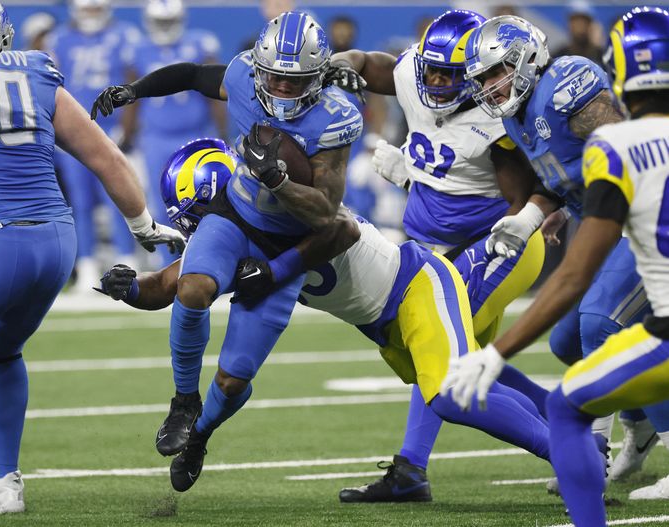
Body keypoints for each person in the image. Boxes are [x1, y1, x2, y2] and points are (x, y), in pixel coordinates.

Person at [99, 137, 565, 494]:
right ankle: (572, 428)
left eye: (197, 212)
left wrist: (274, 269)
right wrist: (130, 289)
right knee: (472, 382)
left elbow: (339, 230)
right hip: (383, 325)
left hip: (417, 287)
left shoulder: (298, 210)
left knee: (450, 393)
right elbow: (170, 285)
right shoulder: (231, 240)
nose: (195, 226)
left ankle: (571, 455)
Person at [0, 0, 183, 514]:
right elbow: (106, 157)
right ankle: (5, 485)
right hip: (56, 242)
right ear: (1, 35)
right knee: (0, 352)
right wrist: (143, 226)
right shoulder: (35, 73)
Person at [93, 11, 363, 492]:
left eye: (294, 80)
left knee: (234, 379)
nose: (282, 88)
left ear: (318, 76)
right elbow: (193, 75)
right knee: (193, 288)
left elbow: (326, 214)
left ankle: (199, 436)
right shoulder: (242, 76)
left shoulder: (334, 118)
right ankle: (183, 401)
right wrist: (134, 91)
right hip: (234, 213)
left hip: (288, 242)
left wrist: (277, 179)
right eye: (274, 77)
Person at [442, 6, 669, 524]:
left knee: (600, 323)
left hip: (639, 226)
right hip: (606, 222)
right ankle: (639, 426)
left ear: (527, 59)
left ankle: (596, 450)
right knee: (568, 342)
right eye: (483, 79)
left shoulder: (568, 83)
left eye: (498, 72)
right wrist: (533, 215)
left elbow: (627, 157)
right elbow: (562, 177)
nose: (491, 87)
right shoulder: (515, 115)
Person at [325, 9, 549, 502]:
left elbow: (522, 201)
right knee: (452, 358)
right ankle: (563, 417)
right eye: (431, 69)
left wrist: (539, 222)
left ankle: (416, 468)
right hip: (441, 249)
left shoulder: (495, 117)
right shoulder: (412, 73)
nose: (436, 82)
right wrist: (337, 66)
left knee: (438, 357)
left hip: (493, 245)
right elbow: (364, 61)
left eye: (449, 74)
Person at [45, 0, 143, 291]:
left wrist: (127, 128)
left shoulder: (125, 35)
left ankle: (127, 259)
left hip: (111, 130)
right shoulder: (59, 38)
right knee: (80, 202)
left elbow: (135, 84)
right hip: (73, 131)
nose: (91, 16)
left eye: (95, 10)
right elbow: (50, 85)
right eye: (87, 10)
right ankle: (86, 264)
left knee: (119, 197)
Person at [134, 0, 225, 265]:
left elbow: (216, 94)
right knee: (162, 202)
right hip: (155, 137)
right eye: (160, 22)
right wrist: (128, 136)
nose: (165, 27)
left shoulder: (200, 43)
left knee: (208, 200)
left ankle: (208, 259)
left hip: (195, 134)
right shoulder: (137, 49)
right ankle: (170, 263)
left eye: (169, 21)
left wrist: (223, 133)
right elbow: (133, 99)